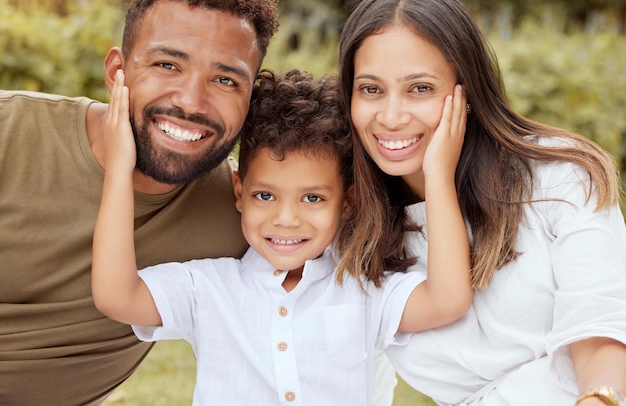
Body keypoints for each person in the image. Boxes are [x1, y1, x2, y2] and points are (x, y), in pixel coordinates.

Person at [91, 68, 472, 405]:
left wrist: (438, 174)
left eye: (312, 198)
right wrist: (120, 169)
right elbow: (116, 297)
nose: (285, 219)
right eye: (265, 196)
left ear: (347, 201)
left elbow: (447, 300)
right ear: (240, 192)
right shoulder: (208, 288)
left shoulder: (365, 291)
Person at [0, 0, 279, 406]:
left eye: (225, 80)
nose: (190, 101)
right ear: (117, 72)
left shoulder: (246, 210)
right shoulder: (10, 130)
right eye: (168, 64)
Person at [337, 0, 626, 405]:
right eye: (371, 89)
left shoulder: (560, 178)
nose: (392, 116)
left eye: (420, 88)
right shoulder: (350, 234)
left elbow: (601, 331)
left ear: (466, 91)